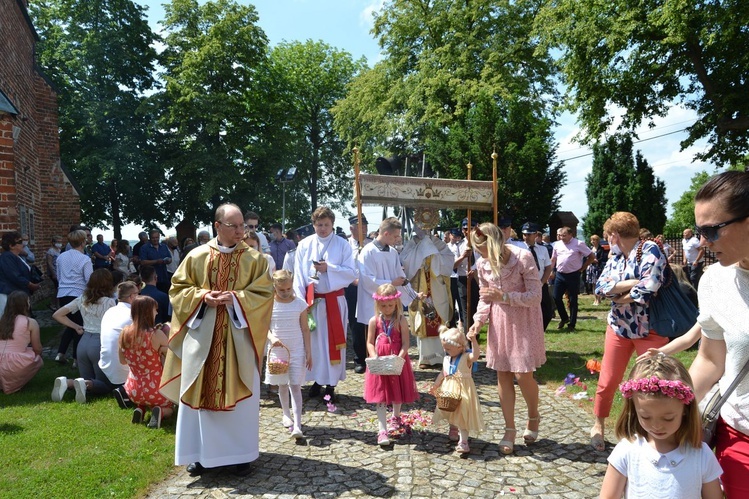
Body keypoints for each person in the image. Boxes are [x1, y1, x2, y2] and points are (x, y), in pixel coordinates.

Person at [159, 203, 274, 477]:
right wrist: (202, 297)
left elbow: (264, 295)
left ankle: (240, 455)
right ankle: (198, 455)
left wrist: (235, 298)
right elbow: (178, 289)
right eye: (233, 226)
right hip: (202, 338)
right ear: (217, 226)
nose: (240, 232)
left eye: (242, 226)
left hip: (238, 339)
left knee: (241, 403)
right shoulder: (196, 256)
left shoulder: (255, 260)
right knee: (197, 395)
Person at [688, 170, 749, 498]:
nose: (702, 242)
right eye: (699, 231)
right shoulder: (714, 280)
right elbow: (710, 359)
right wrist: (672, 410)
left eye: (711, 230)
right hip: (740, 440)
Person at [589, 212, 670, 452]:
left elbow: (650, 287)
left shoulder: (651, 250)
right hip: (619, 327)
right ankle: (598, 425)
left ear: (614, 235)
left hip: (651, 328)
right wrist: (633, 284)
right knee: (608, 379)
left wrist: (620, 295)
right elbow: (601, 287)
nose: (607, 240)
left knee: (652, 381)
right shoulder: (615, 255)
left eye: (608, 236)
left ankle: (649, 430)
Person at [468, 223, 545, 454]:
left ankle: (533, 416)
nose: (480, 254)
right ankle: (509, 428)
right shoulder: (482, 265)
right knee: (503, 375)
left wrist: (503, 296)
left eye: (482, 249)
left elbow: (535, 296)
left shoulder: (522, 257)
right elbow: (485, 298)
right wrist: (477, 322)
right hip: (500, 322)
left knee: (523, 375)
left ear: (494, 244)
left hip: (524, 321)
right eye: (477, 250)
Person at [600, 355, 722, 499]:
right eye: (646, 417)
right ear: (634, 409)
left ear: (685, 410)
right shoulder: (627, 451)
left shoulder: (701, 456)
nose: (657, 426)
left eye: (668, 418)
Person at [293, 207, 356, 402]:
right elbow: (298, 274)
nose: (322, 229)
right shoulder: (304, 245)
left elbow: (351, 273)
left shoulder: (342, 244)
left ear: (332, 225)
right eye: (319, 225)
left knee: (333, 344)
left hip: (334, 300)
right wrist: (300, 301)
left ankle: (331, 384)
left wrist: (330, 268)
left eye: (326, 225)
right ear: (313, 225)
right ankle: (317, 381)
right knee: (315, 343)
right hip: (313, 301)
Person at [363, 283, 419, 446]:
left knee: (397, 389)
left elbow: (406, 343)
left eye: (390, 305)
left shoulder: (401, 320)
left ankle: (396, 415)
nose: (387, 309)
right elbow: (370, 342)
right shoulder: (374, 321)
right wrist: (374, 356)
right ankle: (382, 429)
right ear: (378, 304)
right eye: (383, 306)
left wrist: (399, 359)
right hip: (380, 361)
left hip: (397, 361)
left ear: (396, 303)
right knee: (380, 393)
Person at [356, 217, 413, 375]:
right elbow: (367, 281)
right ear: (386, 233)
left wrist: (412, 295)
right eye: (395, 236)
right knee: (373, 338)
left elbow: (399, 276)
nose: (397, 239)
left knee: (391, 339)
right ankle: (374, 371)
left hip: (390, 304)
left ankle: (391, 368)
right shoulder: (368, 251)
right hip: (372, 302)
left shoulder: (393, 252)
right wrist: (391, 282)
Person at [51, 268, 117, 403]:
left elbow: (57, 314)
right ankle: (75, 384)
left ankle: (67, 383)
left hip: (83, 343)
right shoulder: (110, 302)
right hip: (100, 343)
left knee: (87, 380)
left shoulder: (82, 299)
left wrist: (75, 327)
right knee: (106, 385)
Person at [264, 270, 311, 440]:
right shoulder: (270, 304)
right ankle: (286, 413)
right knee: (282, 384)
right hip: (278, 349)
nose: (285, 292)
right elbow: (265, 327)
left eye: (288, 289)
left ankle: (298, 424)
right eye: (281, 290)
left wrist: (308, 352)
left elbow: (305, 329)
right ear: (274, 287)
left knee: (296, 385)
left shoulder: (299, 304)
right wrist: (271, 337)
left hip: (296, 349)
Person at [400, 220, 454, 369]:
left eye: (426, 227)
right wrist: (419, 258)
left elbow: (449, 259)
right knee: (422, 320)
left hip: (436, 286)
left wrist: (434, 257)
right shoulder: (412, 243)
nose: (423, 230)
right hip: (420, 287)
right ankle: (425, 358)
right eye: (420, 227)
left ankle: (441, 355)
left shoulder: (437, 242)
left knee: (438, 319)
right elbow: (405, 261)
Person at [119, 295, 174, 429]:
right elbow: (171, 359)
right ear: (149, 312)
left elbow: (122, 361)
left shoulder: (124, 333)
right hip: (157, 389)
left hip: (133, 390)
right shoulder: (156, 334)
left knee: (144, 399)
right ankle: (160, 411)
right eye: (155, 310)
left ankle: (141, 408)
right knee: (171, 407)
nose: (156, 313)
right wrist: (164, 349)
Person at [431, 325, 485, 454]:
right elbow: (442, 374)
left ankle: (464, 442)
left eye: (448, 348)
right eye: (445, 348)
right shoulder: (447, 359)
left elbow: (476, 355)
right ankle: (453, 428)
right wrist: (436, 386)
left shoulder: (466, 357)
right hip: (449, 391)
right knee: (451, 411)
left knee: (463, 415)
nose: (446, 351)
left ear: (460, 346)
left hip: (464, 390)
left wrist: (474, 341)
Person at [54, 229, 93, 366]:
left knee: (71, 325)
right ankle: (76, 359)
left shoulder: (61, 257)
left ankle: (61, 353)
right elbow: (89, 280)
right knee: (79, 326)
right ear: (83, 242)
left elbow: (58, 276)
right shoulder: (85, 259)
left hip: (63, 293)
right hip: (78, 294)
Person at [99, 281, 140, 409]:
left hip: (105, 361)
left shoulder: (110, 311)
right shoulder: (133, 314)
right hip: (122, 366)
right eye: (138, 294)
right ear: (132, 297)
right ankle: (132, 392)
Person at [550, 226, 594, 331]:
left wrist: (583, 268)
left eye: (564, 235)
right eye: (560, 235)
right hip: (560, 274)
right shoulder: (557, 244)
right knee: (556, 297)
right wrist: (551, 271)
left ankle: (572, 324)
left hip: (573, 274)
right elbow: (553, 259)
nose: (562, 237)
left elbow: (591, 256)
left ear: (571, 235)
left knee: (573, 299)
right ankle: (564, 318)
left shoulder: (579, 244)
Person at [0, 291, 43, 394]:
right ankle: (16, 382)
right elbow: (37, 348)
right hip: (14, 364)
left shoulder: (2, 321)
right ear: (25, 305)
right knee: (38, 360)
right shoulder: (30, 322)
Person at [346, 214, 372, 374]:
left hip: (369, 287)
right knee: (355, 324)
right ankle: (359, 358)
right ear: (352, 228)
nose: (364, 229)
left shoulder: (371, 244)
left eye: (365, 226)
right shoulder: (345, 245)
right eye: (361, 226)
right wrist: (352, 280)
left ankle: (373, 355)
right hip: (352, 287)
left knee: (372, 322)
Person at [521, 222, 553, 330]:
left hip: (540, 284)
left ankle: (538, 332)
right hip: (524, 286)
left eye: (529, 234)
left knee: (547, 312)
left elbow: (548, 267)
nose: (526, 237)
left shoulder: (542, 249)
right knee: (527, 313)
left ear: (536, 235)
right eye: (525, 234)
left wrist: (542, 282)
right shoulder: (519, 249)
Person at [0, 231, 40, 315]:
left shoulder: (17, 257)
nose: (23, 244)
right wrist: (30, 284)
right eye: (20, 242)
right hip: (9, 294)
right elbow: (14, 275)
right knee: (10, 320)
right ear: (11, 245)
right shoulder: (7, 257)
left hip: (17, 293)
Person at [45, 235, 63, 310]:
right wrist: (53, 273)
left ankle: (55, 304)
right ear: (53, 242)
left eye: (60, 242)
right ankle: (55, 304)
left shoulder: (59, 250)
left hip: (58, 271)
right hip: (54, 272)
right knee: (58, 288)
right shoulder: (51, 251)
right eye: (57, 242)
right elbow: (49, 263)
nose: (59, 243)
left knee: (58, 288)